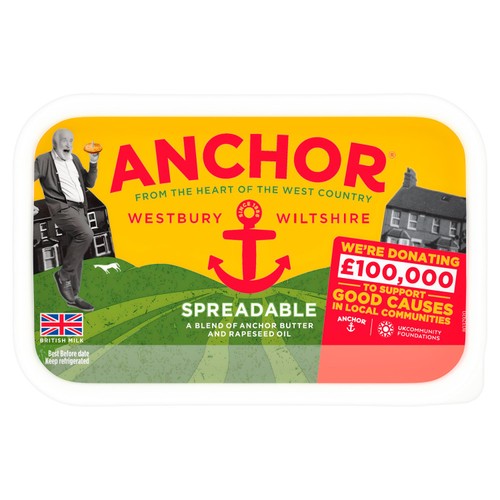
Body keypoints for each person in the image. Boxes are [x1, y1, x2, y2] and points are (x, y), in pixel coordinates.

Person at [34, 129, 100, 312]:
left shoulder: (75, 159)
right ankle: (63, 275)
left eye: (71, 140)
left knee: (75, 249)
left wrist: (93, 162)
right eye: (64, 140)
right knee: (86, 234)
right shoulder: (43, 160)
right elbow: (21, 180)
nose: (68, 144)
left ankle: (73, 296)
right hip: (62, 208)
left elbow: (89, 183)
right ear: (55, 142)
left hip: (80, 209)